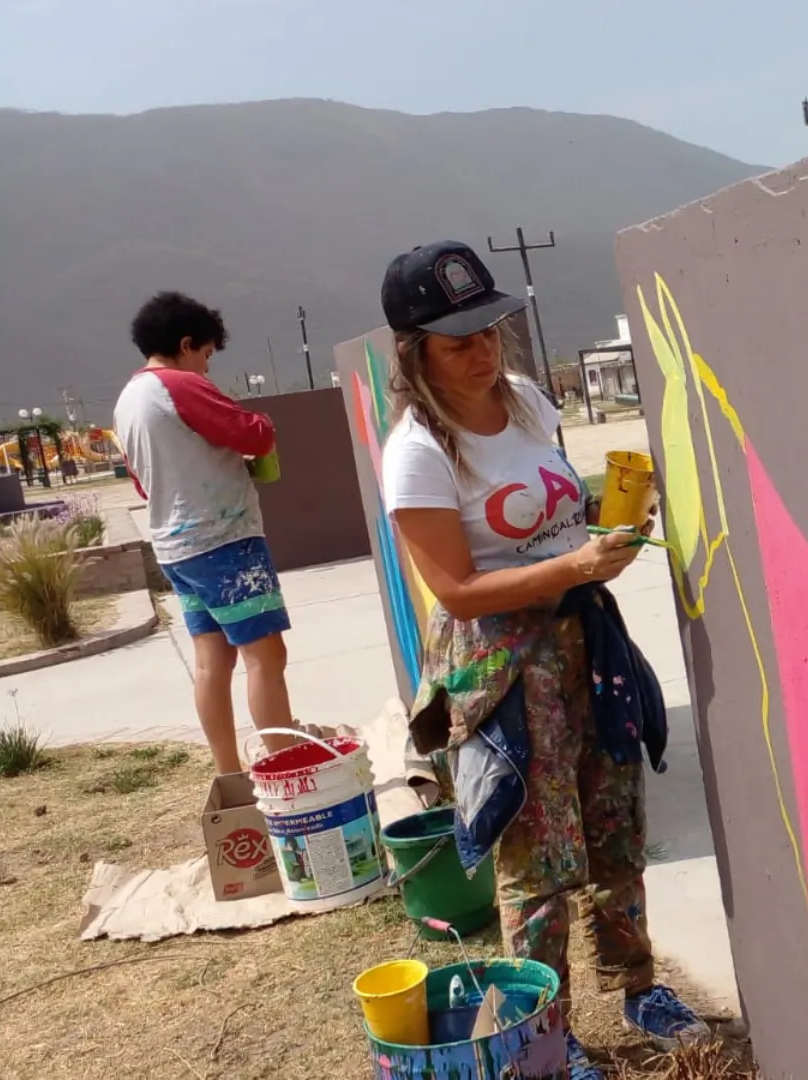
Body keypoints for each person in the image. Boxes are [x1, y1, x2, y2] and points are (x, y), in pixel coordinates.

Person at [377, 241, 708, 1049]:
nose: (484, 352)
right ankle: (541, 1034)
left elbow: (551, 508)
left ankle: (639, 989)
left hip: (585, 641)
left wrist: (606, 523)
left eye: (490, 331)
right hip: (502, 672)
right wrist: (573, 564)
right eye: (459, 342)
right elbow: (456, 590)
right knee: (536, 856)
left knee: (615, 821)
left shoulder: (527, 401)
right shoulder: (418, 451)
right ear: (416, 354)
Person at [115, 291, 296, 775]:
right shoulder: (179, 384)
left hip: (175, 548)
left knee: (211, 661)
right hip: (224, 541)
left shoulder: (127, 400)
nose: (207, 366)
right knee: (265, 658)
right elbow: (255, 434)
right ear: (186, 343)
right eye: (207, 353)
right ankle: (287, 773)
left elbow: (141, 481)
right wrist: (262, 425)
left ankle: (229, 773)